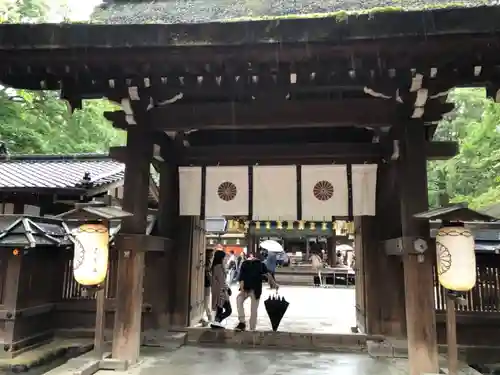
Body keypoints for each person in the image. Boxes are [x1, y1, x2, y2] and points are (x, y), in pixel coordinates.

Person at [235, 256, 279, 331]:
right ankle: (250, 327)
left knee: (239, 300)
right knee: (253, 309)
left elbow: (241, 279)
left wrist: (242, 292)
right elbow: (268, 275)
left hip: (250, 289)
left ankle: (243, 323)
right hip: (254, 289)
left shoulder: (247, 264)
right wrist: (274, 284)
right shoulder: (259, 264)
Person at [211, 250, 232, 328]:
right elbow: (222, 282)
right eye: (224, 257)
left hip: (217, 292)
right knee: (228, 310)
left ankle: (216, 323)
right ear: (221, 258)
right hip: (221, 293)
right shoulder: (219, 267)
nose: (225, 259)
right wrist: (226, 290)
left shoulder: (215, 267)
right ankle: (216, 321)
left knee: (219, 310)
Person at [201, 249, 214, 325]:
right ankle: (208, 316)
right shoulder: (206, 262)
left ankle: (206, 317)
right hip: (206, 283)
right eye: (211, 254)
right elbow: (208, 273)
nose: (212, 255)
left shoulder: (208, 261)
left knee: (205, 301)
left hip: (206, 283)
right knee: (206, 300)